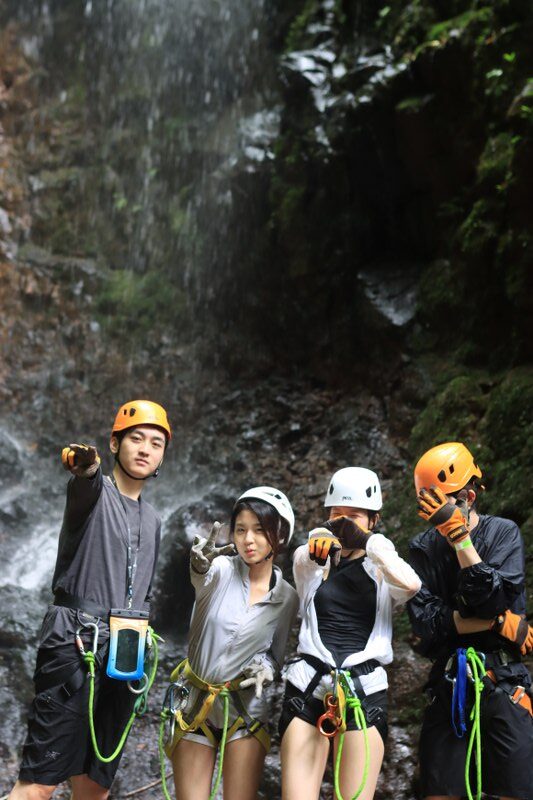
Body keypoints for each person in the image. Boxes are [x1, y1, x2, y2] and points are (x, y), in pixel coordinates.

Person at [10, 399, 171, 800]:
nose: (146, 449)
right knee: (37, 785)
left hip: (125, 654)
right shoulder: (93, 493)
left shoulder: (154, 520)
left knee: (94, 788)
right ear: (115, 444)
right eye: (136, 438)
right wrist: (87, 469)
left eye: (156, 442)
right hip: (75, 642)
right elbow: (85, 480)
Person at [279, 467, 421, 800]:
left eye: (354, 516)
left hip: (364, 690)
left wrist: (371, 543)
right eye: (336, 515)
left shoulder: (383, 566)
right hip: (308, 687)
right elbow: (303, 559)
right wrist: (319, 538)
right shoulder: (312, 560)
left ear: (374, 519)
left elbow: (412, 585)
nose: (343, 523)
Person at [407, 441, 533, 800]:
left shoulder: (503, 533)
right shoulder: (422, 547)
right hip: (449, 682)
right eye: (429, 504)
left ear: (470, 497)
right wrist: (497, 624)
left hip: (503, 681)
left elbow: (493, 598)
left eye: (444, 502)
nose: (437, 513)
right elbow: (427, 623)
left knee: (513, 791)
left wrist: (460, 538)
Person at [163, 486, 299, 800]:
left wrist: (265, 668)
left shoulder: (287, 598)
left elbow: (275, 655)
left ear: (279, 534)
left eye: (259, 530)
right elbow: (201, 574)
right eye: (240, 530)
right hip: (196, 703)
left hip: (246, 708)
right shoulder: (220, 569)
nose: (248, 540)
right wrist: (198, 563)